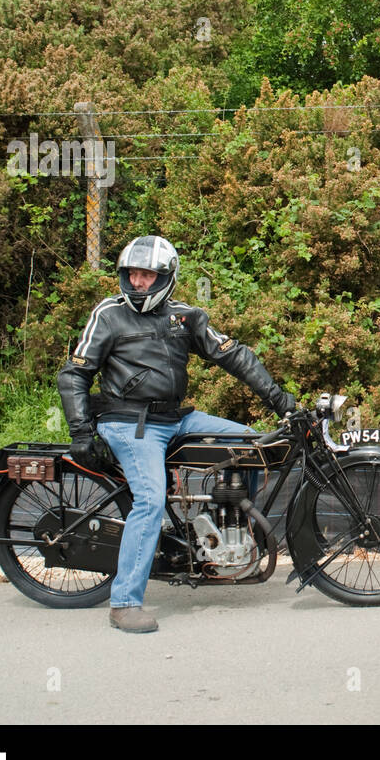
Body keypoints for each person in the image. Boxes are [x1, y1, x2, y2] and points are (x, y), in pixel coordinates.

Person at [57, 235, 295, 633]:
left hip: (176, 419)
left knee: (253, 444)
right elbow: (74, 374)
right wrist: (81, 432)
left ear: (166, 276)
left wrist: (280, 399)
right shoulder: (108, 314)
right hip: (128, 423)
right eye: (131, 274)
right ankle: (124, 602)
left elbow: (233, 354)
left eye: (146, 275)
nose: (137, 283)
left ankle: (217, 535)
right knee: (150, 500)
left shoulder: (185, 317)